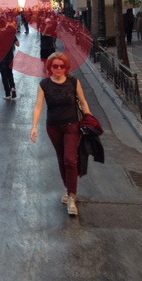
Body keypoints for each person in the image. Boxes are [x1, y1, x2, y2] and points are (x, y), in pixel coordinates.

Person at [31, 53, 92, 216]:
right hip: (53, 127)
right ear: (50, 67)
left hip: (72, 125)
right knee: (61, 158)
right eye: (55, 66)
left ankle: (72, 197)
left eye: (62, 66)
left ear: (66, 67)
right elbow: (38, 106)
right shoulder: (44, 85)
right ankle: (68, 188)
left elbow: (83, 102)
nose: (58, 69)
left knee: (70, 159)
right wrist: (34, 126)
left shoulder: (73, 82)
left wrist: (89, 120)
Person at [0, 18, 19, 100]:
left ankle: (7, 94)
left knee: (4, 75)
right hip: (10, 56)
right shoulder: (10, 34)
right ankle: (13, 87)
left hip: (1, 57)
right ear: (5, 25)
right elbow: (18, 44)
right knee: (10, 73)